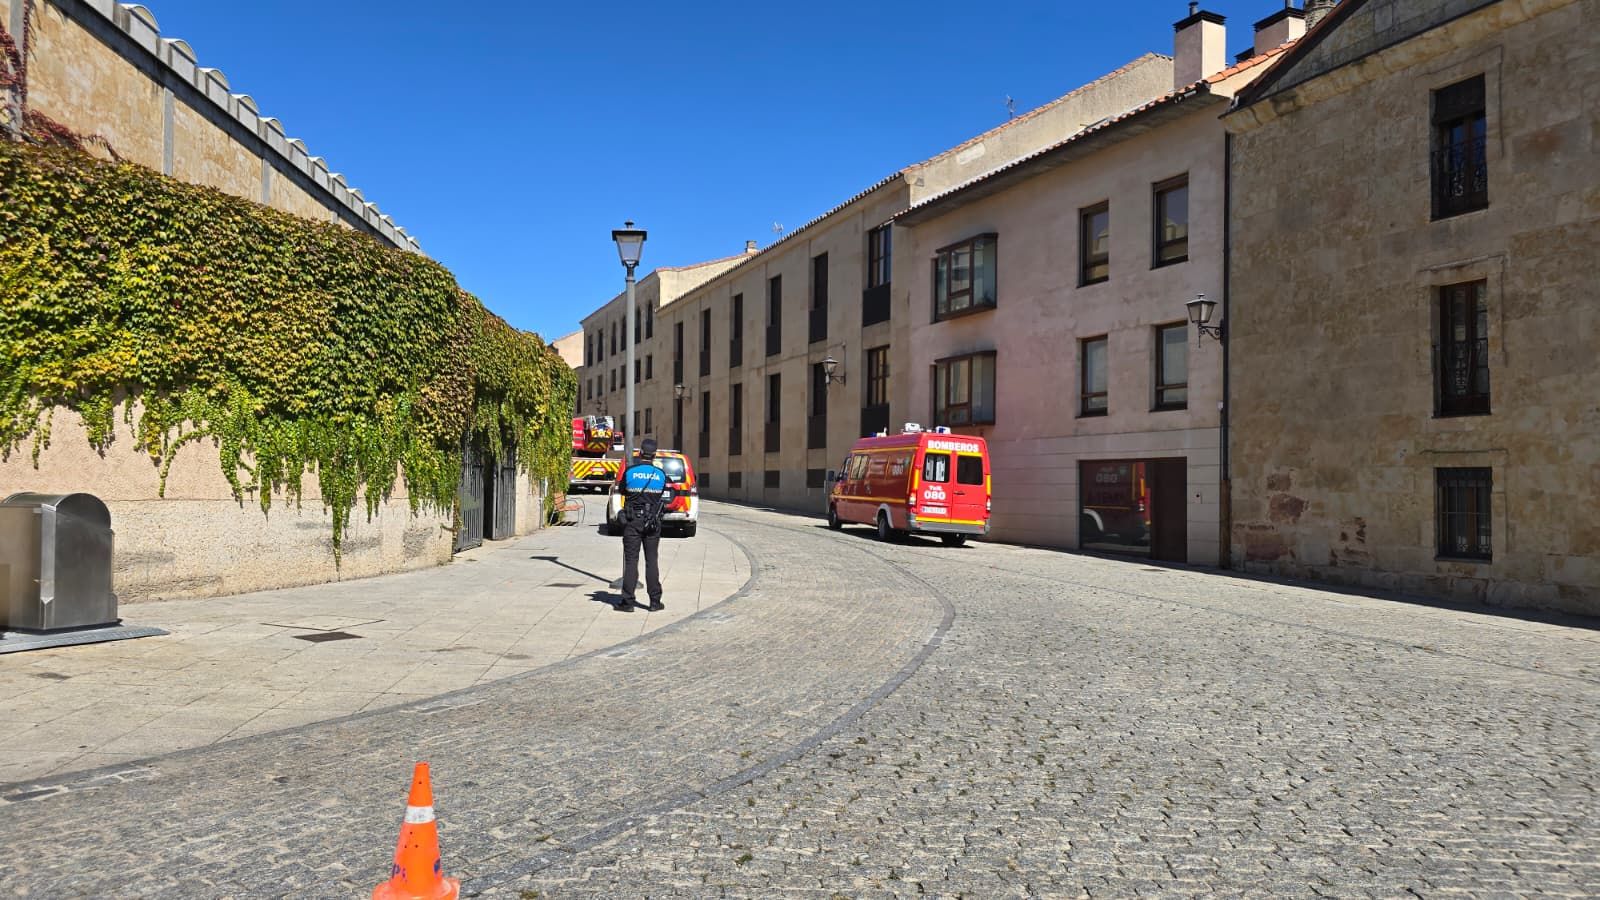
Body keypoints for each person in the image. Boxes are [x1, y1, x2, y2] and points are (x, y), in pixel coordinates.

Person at [616, 438, 669, 612]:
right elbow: (661, 494)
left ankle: (628, 602)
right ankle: (655, 602)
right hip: (652, 522)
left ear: (640, 454)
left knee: (631, 561)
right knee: (651, 561)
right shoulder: (660, 474)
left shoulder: (631, 471)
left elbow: (622, 489)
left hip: (633, 521)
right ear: (654, 455)